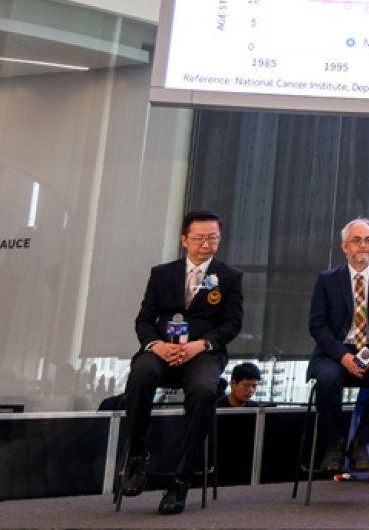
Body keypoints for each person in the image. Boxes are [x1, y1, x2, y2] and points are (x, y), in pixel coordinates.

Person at [120, 209, 244, 516]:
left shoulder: (230, 277)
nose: (206, 244)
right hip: (162, 350)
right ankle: (136, 456)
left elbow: (232, 324)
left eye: (212, 238)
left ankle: (182, 480)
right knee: (141, 375)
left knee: (203, 391)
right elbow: (144, 320)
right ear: (184, 240)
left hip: (203, 352)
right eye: (199, 238)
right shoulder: (162, 274)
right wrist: (158, 346)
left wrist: (200, 345)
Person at [308, 218, 369, 472]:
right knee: (327, 379)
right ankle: (334, 446)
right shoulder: (327, 280)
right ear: (345, 246)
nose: (363, 246)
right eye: (357, 240)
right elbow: (317, 325)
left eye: (368, 240)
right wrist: (344, 357)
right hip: (336, 352)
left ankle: (359, 443)